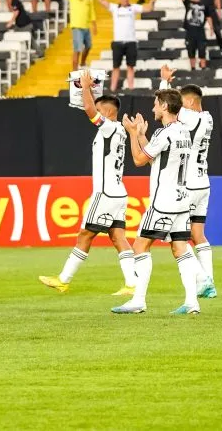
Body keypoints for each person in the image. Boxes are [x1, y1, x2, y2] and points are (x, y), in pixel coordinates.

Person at [40, 70, 138, 296]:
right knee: (118, 237)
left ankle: (63, 280)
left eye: (100, 107)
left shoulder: (109, 127)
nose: (96, 110)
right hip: (118, 192)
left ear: (108, 111)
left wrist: (85, 87)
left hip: (105, 193)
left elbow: (89, 111)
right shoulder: (119, 131)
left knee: (85, 235)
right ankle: (132, 283)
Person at [112, 88, 198, 315]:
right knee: (180, 247)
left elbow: (140, 160)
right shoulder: (184, 132)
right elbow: (159, 161)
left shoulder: (164, 133)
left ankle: (138, 300)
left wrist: (131, 133)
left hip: (164, 201)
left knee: (140, 245)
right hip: (182, 199)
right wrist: (142, 136)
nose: (153, 108)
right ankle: (192, 302)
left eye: (156, 104)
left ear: (165, 107)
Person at [159, 67, 217, 298]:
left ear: (191, 102)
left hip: (189, 185)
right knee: (198, 234)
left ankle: (204, 282)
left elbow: (169, 107)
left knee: (177, 237)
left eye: (183, 103)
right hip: (203, 183)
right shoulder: (208, 118)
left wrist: (164, 83)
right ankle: (209, 282)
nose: (179, 107)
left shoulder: (192, 117)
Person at [98, 0, 154, 91]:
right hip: (118, 42)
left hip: (131, 42)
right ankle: (112, 89)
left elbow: (148, 8)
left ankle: (131, 88)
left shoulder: (133, 7)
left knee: (130, 66)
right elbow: (100, 0)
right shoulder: (114, 8)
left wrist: (152, 1)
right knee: (116, 67)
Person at [58, 0, 96, 71]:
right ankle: (75, 71)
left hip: (86, 26)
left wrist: (94, 24)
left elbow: (91, 11)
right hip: (77, 27)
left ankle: (82, 63)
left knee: (88, 46)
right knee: (77, 49)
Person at [181, 0, 207, 69]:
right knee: (191, 51)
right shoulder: (188, 2)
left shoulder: (205, 4)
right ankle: (193, 69)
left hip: (200, 31)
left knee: (202, 50)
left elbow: (209, 16)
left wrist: (212, 28)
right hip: (190, 31)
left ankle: (203, 68)